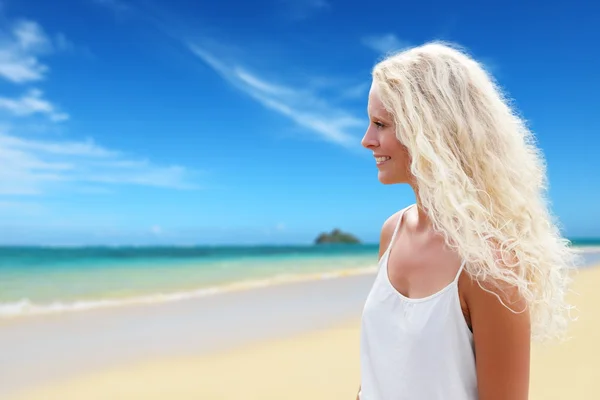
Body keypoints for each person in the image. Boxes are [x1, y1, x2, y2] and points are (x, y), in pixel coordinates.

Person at [356, 42, 578, 400]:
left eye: (380, 124)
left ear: (430, 129)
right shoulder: (392, 232)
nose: (367, 140)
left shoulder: (491, 266)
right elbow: (376, 376)